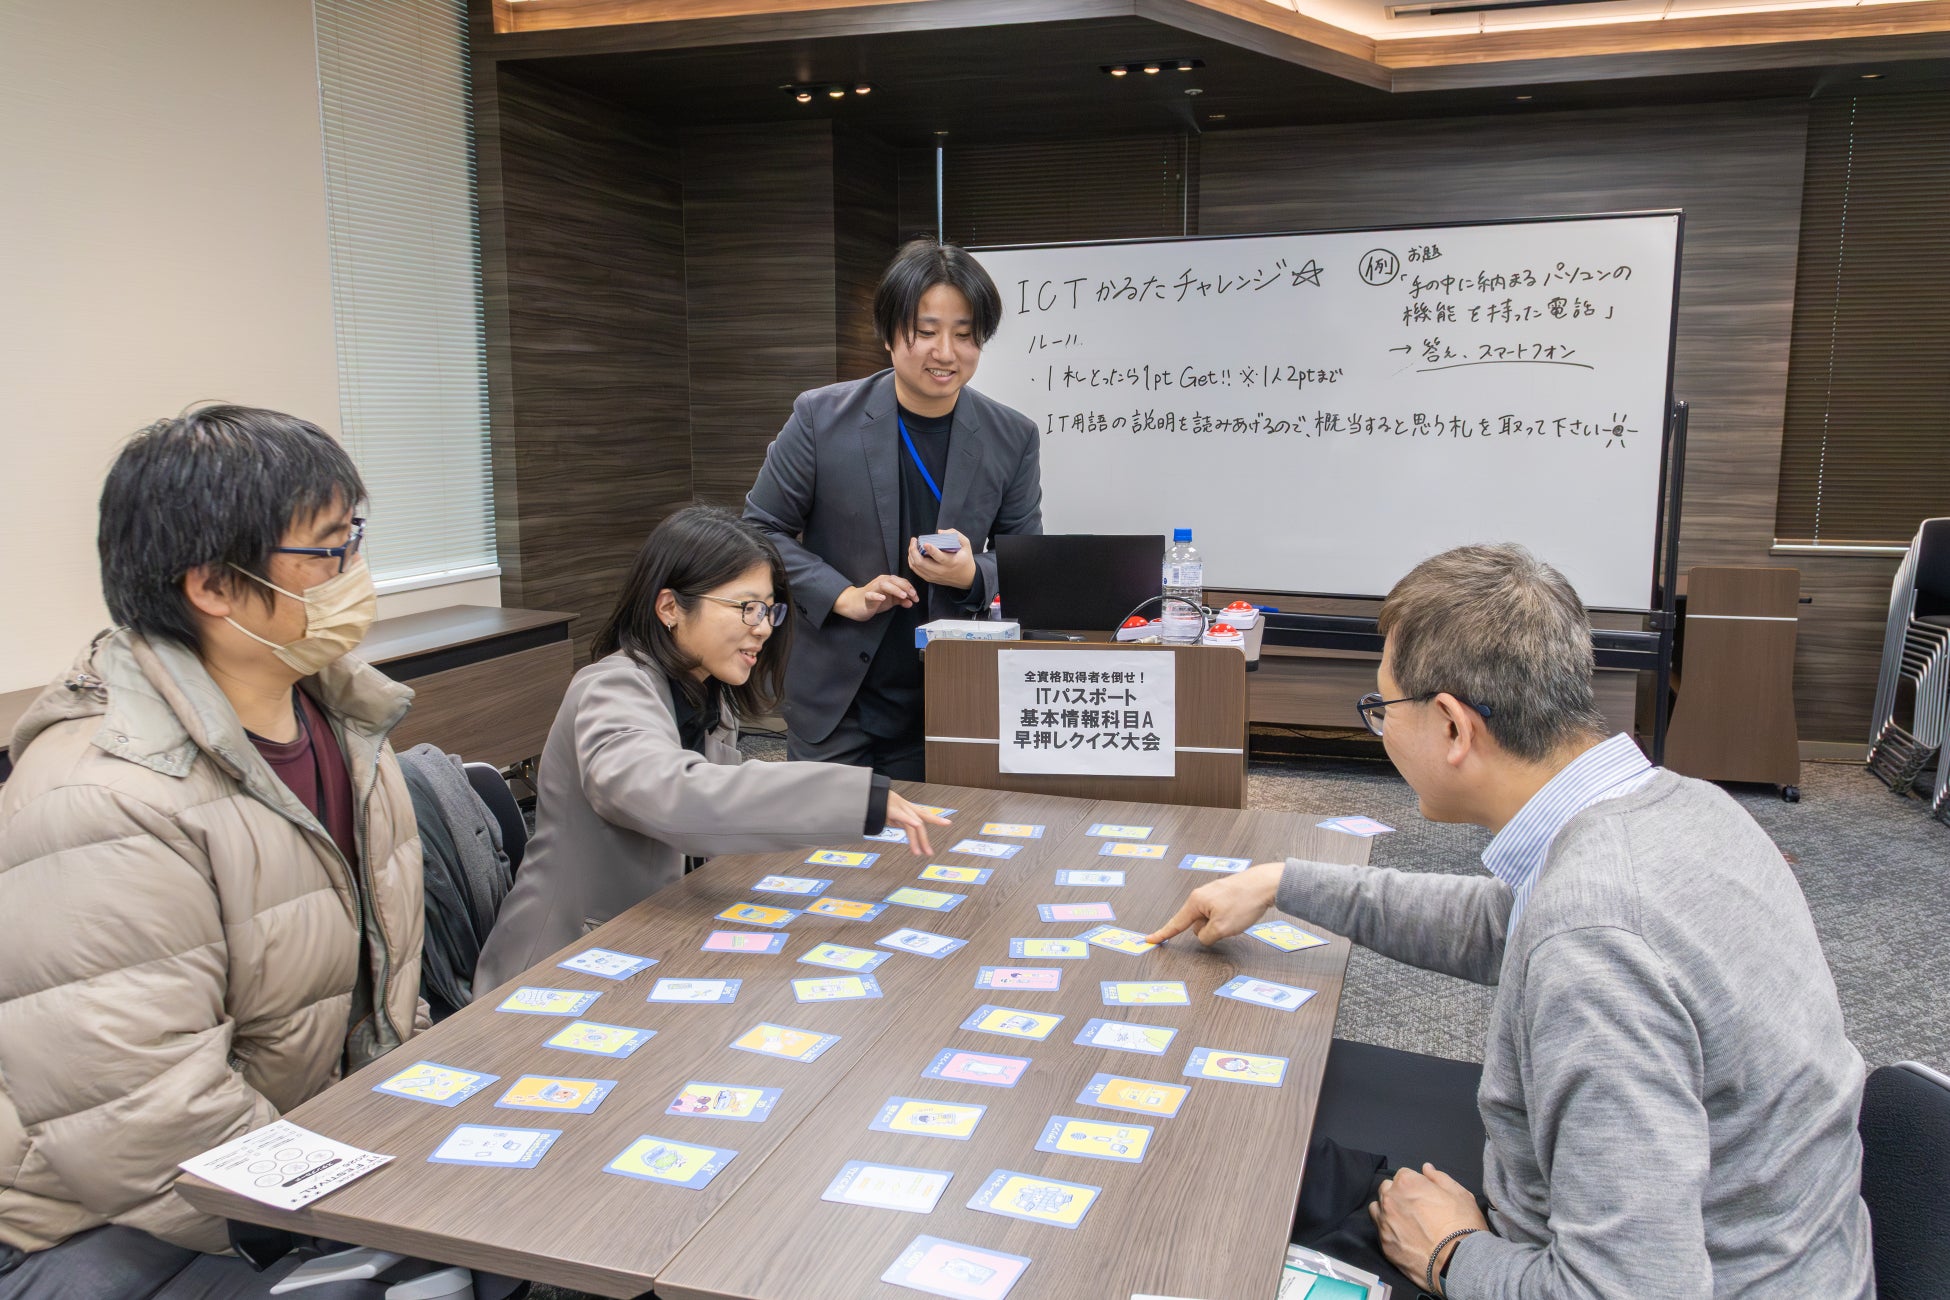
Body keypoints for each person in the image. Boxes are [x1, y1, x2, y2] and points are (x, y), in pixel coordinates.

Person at [1146, 544, 1871, 1300]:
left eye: (1382, 709)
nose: (1380, 730)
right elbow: (1506, 923)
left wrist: (1452, 1255)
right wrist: (1283, 882)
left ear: (1453, 727)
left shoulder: (1593, 940)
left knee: (1230, 1189)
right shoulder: (1684, 808)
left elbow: (1628, 1291)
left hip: (1646, 1276)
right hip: (1773, 1249)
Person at [0, 406, 426, 1297]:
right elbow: (145, 1120)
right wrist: (376, 1205)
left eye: (354, 538)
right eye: (328, 550)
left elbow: (382, 983)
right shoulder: (105, 800)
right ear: (214, 587)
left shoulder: (345, 722)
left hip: (291, 1150)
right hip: (105, 1221)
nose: (355, 573)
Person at [475, 506, 947, 991]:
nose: (763, 627)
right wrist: (852, 798)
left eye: (769, 610)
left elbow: (723, 806)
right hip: (558, 968)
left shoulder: (706, 697)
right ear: (669, 608)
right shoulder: (610, 689)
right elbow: (679, 798)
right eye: (746, 607)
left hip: (651, 940)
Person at [744, 239, 1042, 780]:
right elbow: (759, 532)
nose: (945, 352)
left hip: (951, 697)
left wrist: (972, 573)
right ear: (888, 334)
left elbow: (1027, 558)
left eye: (965, 334)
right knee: (831, 833)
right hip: (836, 700)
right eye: (925, 331)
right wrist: (843, 595)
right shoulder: (820, 418)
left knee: (943, 833)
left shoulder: (1012, 436)